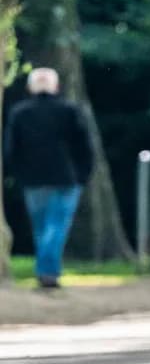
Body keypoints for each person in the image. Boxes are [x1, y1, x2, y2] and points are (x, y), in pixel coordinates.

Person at [4, 68, 94, 288]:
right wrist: (83, 174)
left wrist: (15, 173)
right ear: (56, 86)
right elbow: (85, 147)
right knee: (57, 226)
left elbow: (10, 149)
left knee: (42, 227)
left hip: (32, 179)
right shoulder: (69, 110)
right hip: (65, 178)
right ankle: (48, 272)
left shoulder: (20, 113)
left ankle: (46, 271)